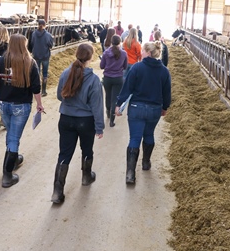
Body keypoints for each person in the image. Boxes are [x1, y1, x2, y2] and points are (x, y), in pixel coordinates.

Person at [52, 43, 104, 204]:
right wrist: (99, 126)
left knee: (64, 153)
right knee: (87, 149)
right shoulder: (94, 79)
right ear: (91, 58)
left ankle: (57, 192)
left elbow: (60, 96)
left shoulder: (65, 73)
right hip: (85, 121)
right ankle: (86, 177)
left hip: (66, 119)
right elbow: (97, 106)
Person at [0, 34, 44, 188]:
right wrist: (39, 104)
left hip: (3, 104)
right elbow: (36, 88)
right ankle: (7, 175)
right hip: (21, 106)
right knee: (14, 138)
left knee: (10, 134)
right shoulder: (30, 62)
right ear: (24, 45)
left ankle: (13, 160)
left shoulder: (2, 61)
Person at [115, 41, 171, 184]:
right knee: (149, 134)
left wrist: (119, 104)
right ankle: (146, 163)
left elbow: (127, 87)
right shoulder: (164, 71)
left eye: (143, 51)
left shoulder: (137, 68)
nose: (141, 53)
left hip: (136, 107)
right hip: (154, 109)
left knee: (134, 138)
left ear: (149, 53)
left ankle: (130, 174)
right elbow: (167, 92)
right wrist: (165, 107)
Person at [100, 35, 127, 127]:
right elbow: (125, 67)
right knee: (115, 98)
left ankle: (108, 111)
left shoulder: (106, 53)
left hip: (107, 77)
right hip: (118, 78)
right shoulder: (123, 53)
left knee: (108, 95)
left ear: (111, 42)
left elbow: (101, 66)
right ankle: (112, 120)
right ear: (120, 42)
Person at [30, 19, 54, 96]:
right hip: (45, 56)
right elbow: (51, 46)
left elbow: (32, 43)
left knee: (37, 73)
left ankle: (37, 90)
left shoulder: (33, 34)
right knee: (45, 73)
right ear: (45, 25)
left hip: (36, 56)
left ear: (38, 24)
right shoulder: (48, 35)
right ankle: (43, 91)